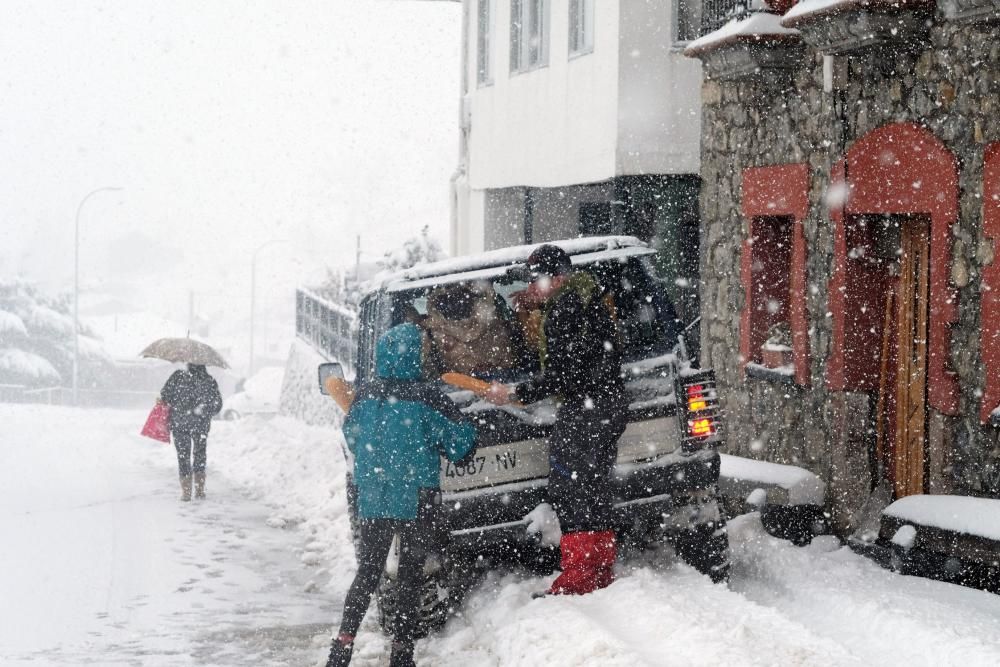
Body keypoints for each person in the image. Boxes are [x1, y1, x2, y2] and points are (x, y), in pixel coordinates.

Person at [326, 323, 477, 667]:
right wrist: (468, 431)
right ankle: (401, 654)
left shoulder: (364, 395)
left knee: (367, 572)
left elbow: (352, 438)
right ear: (415, 356)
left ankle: (341, 648)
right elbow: (459, 444)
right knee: (410, 576)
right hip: (417, 498)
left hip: (376, 497)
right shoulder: (428, 397)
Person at [486, 244, 627, 596]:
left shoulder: (566, 309)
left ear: (556, 277)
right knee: (594, 486)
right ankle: (599, 568)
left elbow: (564, 375)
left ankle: (579, 576)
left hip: (587, 408)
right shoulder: (587, 296)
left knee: (571, 487)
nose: (533, 287)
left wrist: (516, 393)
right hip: (608, 403)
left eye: (537, 280)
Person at [159, 363, 223, 501]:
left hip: (180, 424)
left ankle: (186, 492)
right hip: (200, 426)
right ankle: (199, 490)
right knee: (200, 455)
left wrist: (178, 403)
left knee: (183, 456)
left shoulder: (178, 377)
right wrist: (203, 410)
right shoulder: (209, 380)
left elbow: (164, 395)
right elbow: (218, 405)